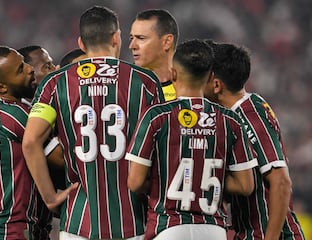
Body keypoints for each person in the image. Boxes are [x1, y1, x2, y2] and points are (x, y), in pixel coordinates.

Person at [22, 5, 164, 240]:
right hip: (134, 219)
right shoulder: (145, 82)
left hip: (78, 222)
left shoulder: (55, 84)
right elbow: (162, 146)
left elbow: (30, 143)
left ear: (80, 43)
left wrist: (50, 197)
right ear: (116, 38)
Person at [126, 39, 258, 240]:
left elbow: (134, 182)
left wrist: (165, 180)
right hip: (213, 229)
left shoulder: (157, 116)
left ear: (173, 73)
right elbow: (245, 186)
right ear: (210, 77)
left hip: (168, 226)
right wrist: (205, 177)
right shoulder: (229, 120)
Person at [0, 46, 74, 240]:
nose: (30, 70)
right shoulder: (19, 114)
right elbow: (61, 160)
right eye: (20, 69)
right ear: (2, 87)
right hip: (8, 230)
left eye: (25, 63)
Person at [204, 40, 305, 239]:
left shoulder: (250, 113)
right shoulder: (232, 116)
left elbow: (281, 182)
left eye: (203, 75)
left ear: (216, 84)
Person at [17, 45, 63, 239]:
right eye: (47, 66)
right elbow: (62, 162)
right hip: (22, 228)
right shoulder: (28, 116)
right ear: (29, 75)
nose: (55, 70)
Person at [129, 9, 178, 101]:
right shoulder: (124, 84)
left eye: (141, 38)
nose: (132, 46)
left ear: (167, 42)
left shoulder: (191, 86)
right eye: (131, 38)